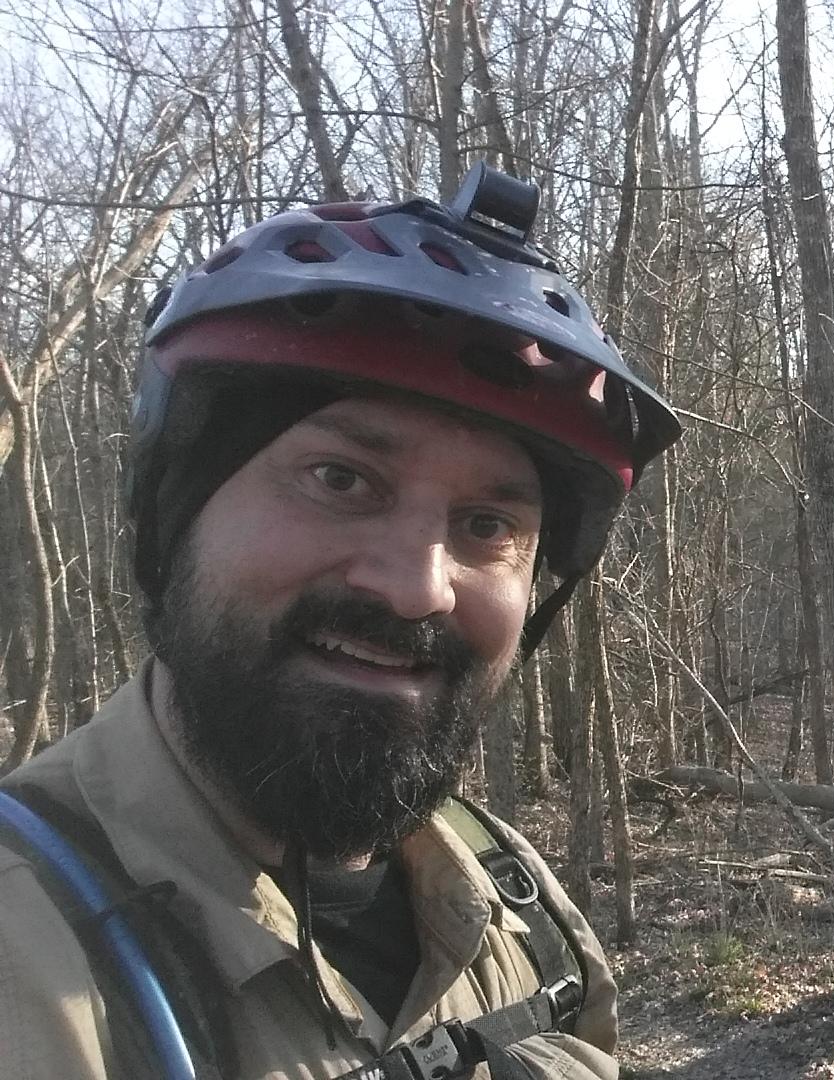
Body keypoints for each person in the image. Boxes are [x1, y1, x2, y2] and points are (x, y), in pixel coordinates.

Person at [0, 163, 680, 1079]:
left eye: (488, 526)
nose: (417, 589)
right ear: (173, 512)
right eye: (341, 479)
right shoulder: (27, 960)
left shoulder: (517, 905)